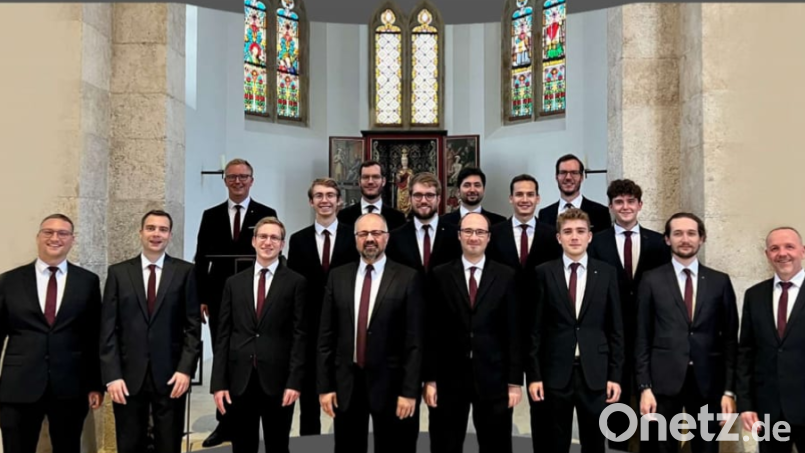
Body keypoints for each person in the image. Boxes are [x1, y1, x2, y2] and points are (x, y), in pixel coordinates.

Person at [317, 213, 424, 453]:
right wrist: (325, 387)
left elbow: (414, 341)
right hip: (347, 384)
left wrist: (409, 392)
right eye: (363, 234)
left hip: (392, 386)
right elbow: (326, 337)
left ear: (386, 238)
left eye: (376, 233)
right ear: (355, 239)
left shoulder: (408, 278)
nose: (370, 239)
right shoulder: (338, 277)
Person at [635, 212, 738, 453]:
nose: (685, 239)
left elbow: (731, 341)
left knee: (706, 448)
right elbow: (642, 337)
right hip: (662, 384)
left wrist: (729, 390)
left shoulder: (719, 281)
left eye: (691, 233)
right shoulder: (651, 280)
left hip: (708, 383)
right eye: (678, 233)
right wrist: (644, 387)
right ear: (667, 239)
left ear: (702, 238)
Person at [0, 214, 103, 453]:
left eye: (62, 233)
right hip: (19, 387)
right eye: (48, 232)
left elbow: (92, 336)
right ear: (38, 237)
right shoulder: (9, 281)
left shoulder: (87, 282)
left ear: (72, 240)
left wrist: (95, 385)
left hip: (70, 387)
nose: (55, 238)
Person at [100, 210, 202, 453]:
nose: (156, 234)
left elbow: (193, 326)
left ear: (169, 235)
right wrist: (112, 375)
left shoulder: (184, 272)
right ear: (140, 232)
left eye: (163, 229)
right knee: (129, 443)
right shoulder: (119, 273)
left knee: (169, 443)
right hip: (127, 377)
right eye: (151, 228)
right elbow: (108, 329)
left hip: (171, 376)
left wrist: (185, 370)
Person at [193, 158, 277, 447]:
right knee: (224, 356)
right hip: (219, 298)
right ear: (225, 181)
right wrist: (201, 296)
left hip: (256, 297)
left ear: (252, 180)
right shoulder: (211, 215)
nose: (238, 181)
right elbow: (200, 258)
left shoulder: (266, 214)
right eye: (232, 177)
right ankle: (225, 422)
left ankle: (251, 418)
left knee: (250, 359)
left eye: (243, 177)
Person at [423, 212, 522, 453]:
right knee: (445, 444)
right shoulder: (440, 274)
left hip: (494, 378)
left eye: (480, 232)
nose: (474, 237)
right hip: (449, 378)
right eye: (468, 231)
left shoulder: (506, 275)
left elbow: (514, 331)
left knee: (496, 444)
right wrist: (430, 379)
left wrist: (514, 382)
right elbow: (431, 331)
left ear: (489, 238)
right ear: (459, 236)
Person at [527, 207, 624, 453]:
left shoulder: (606, 273)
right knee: (555, 441)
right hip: (554, 372)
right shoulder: (543, 272)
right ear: (558, 237)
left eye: (580, 231)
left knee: (594, 442)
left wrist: (615, 375)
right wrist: (535, 375)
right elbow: (535, 330)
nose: (574, 237)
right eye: (568, 231)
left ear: (589, 236)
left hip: (595, 372)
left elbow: (616, 330)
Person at [211, 217, 307, 453]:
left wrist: (295, 381)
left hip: (279, 380)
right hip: (240, 380)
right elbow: (223, 335)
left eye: (274, 237)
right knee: (242, 446)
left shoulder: (296, 283)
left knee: (278, 445)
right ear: (253, 241)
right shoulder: (234, 283)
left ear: (282, 244)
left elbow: (300, 336)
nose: (268, 242)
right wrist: (218, 383)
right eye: (263, 236)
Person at [588, 179, 671, 452]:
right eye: (619, 202)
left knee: (651, 410)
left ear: (640, 205)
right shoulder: (596, 242)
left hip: (650, 335)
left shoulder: (659, 242)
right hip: (611, 334)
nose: (625, 207)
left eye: (630, 201)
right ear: (611, 206)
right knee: (616, 405)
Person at [486, 174, 561, 452]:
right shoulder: (495, 233)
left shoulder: (551, 234)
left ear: (538, 199)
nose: (525, 199)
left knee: (543, 402)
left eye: (530, 194)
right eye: (519, 194)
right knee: (504, 400)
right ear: (511, 198)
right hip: (504, 328)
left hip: (543, 328)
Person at [286, 178, 359, 436]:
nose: (325, 200)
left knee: (342, 397)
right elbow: (294, 286)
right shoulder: (298, 240)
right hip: (309, 326)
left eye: (330, 195)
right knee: (309, 399)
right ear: (311, 201)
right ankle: (310, 445)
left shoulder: (355, 236)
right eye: (319, 195)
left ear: (339, 201)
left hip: (343, 326)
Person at [737, 227, 805, 453]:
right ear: (767, 255)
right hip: (769, 410)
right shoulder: (754, 295)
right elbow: (746, 353)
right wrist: (746, 405)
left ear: (802, 251)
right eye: (774, 248)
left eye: (789, 247)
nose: (782, 253)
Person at [386, 172, 461, 274]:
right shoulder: (396, 237)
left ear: (438, 199)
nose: (423, 201)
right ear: (410, 198)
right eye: (418, 195)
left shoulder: (456, 235)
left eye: (429, 195)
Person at [538, 154, 611, 234]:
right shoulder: (544, 214)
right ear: (556, 177)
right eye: (563, 172)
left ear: (581, 177)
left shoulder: (601, 213)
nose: (568, 177)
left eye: (574, 173)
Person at [337, 161, 407, 230]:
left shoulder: (398, 219)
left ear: (383, 181)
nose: (370, 181)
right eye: (365, 177)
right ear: (359, 182)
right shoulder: (343, 217)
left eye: (375, 177)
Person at [440, 167, 506, 227]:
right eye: (467, 185)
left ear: (483, 189)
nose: (472, 190)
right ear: (458, 191)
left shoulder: (499, 223)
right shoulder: (442, 222)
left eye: (477, 185)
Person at [395, 150, 415, 216]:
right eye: (403, 161)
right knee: (400, 201)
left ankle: (407, 213)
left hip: (407, 188)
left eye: (405, 161)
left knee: (408, 200)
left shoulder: (410, 171)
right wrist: (398, 177)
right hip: (401, 189)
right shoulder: (400, 171)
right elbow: (398, 180)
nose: (404, 162)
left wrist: (410, 177)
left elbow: (413, 179)